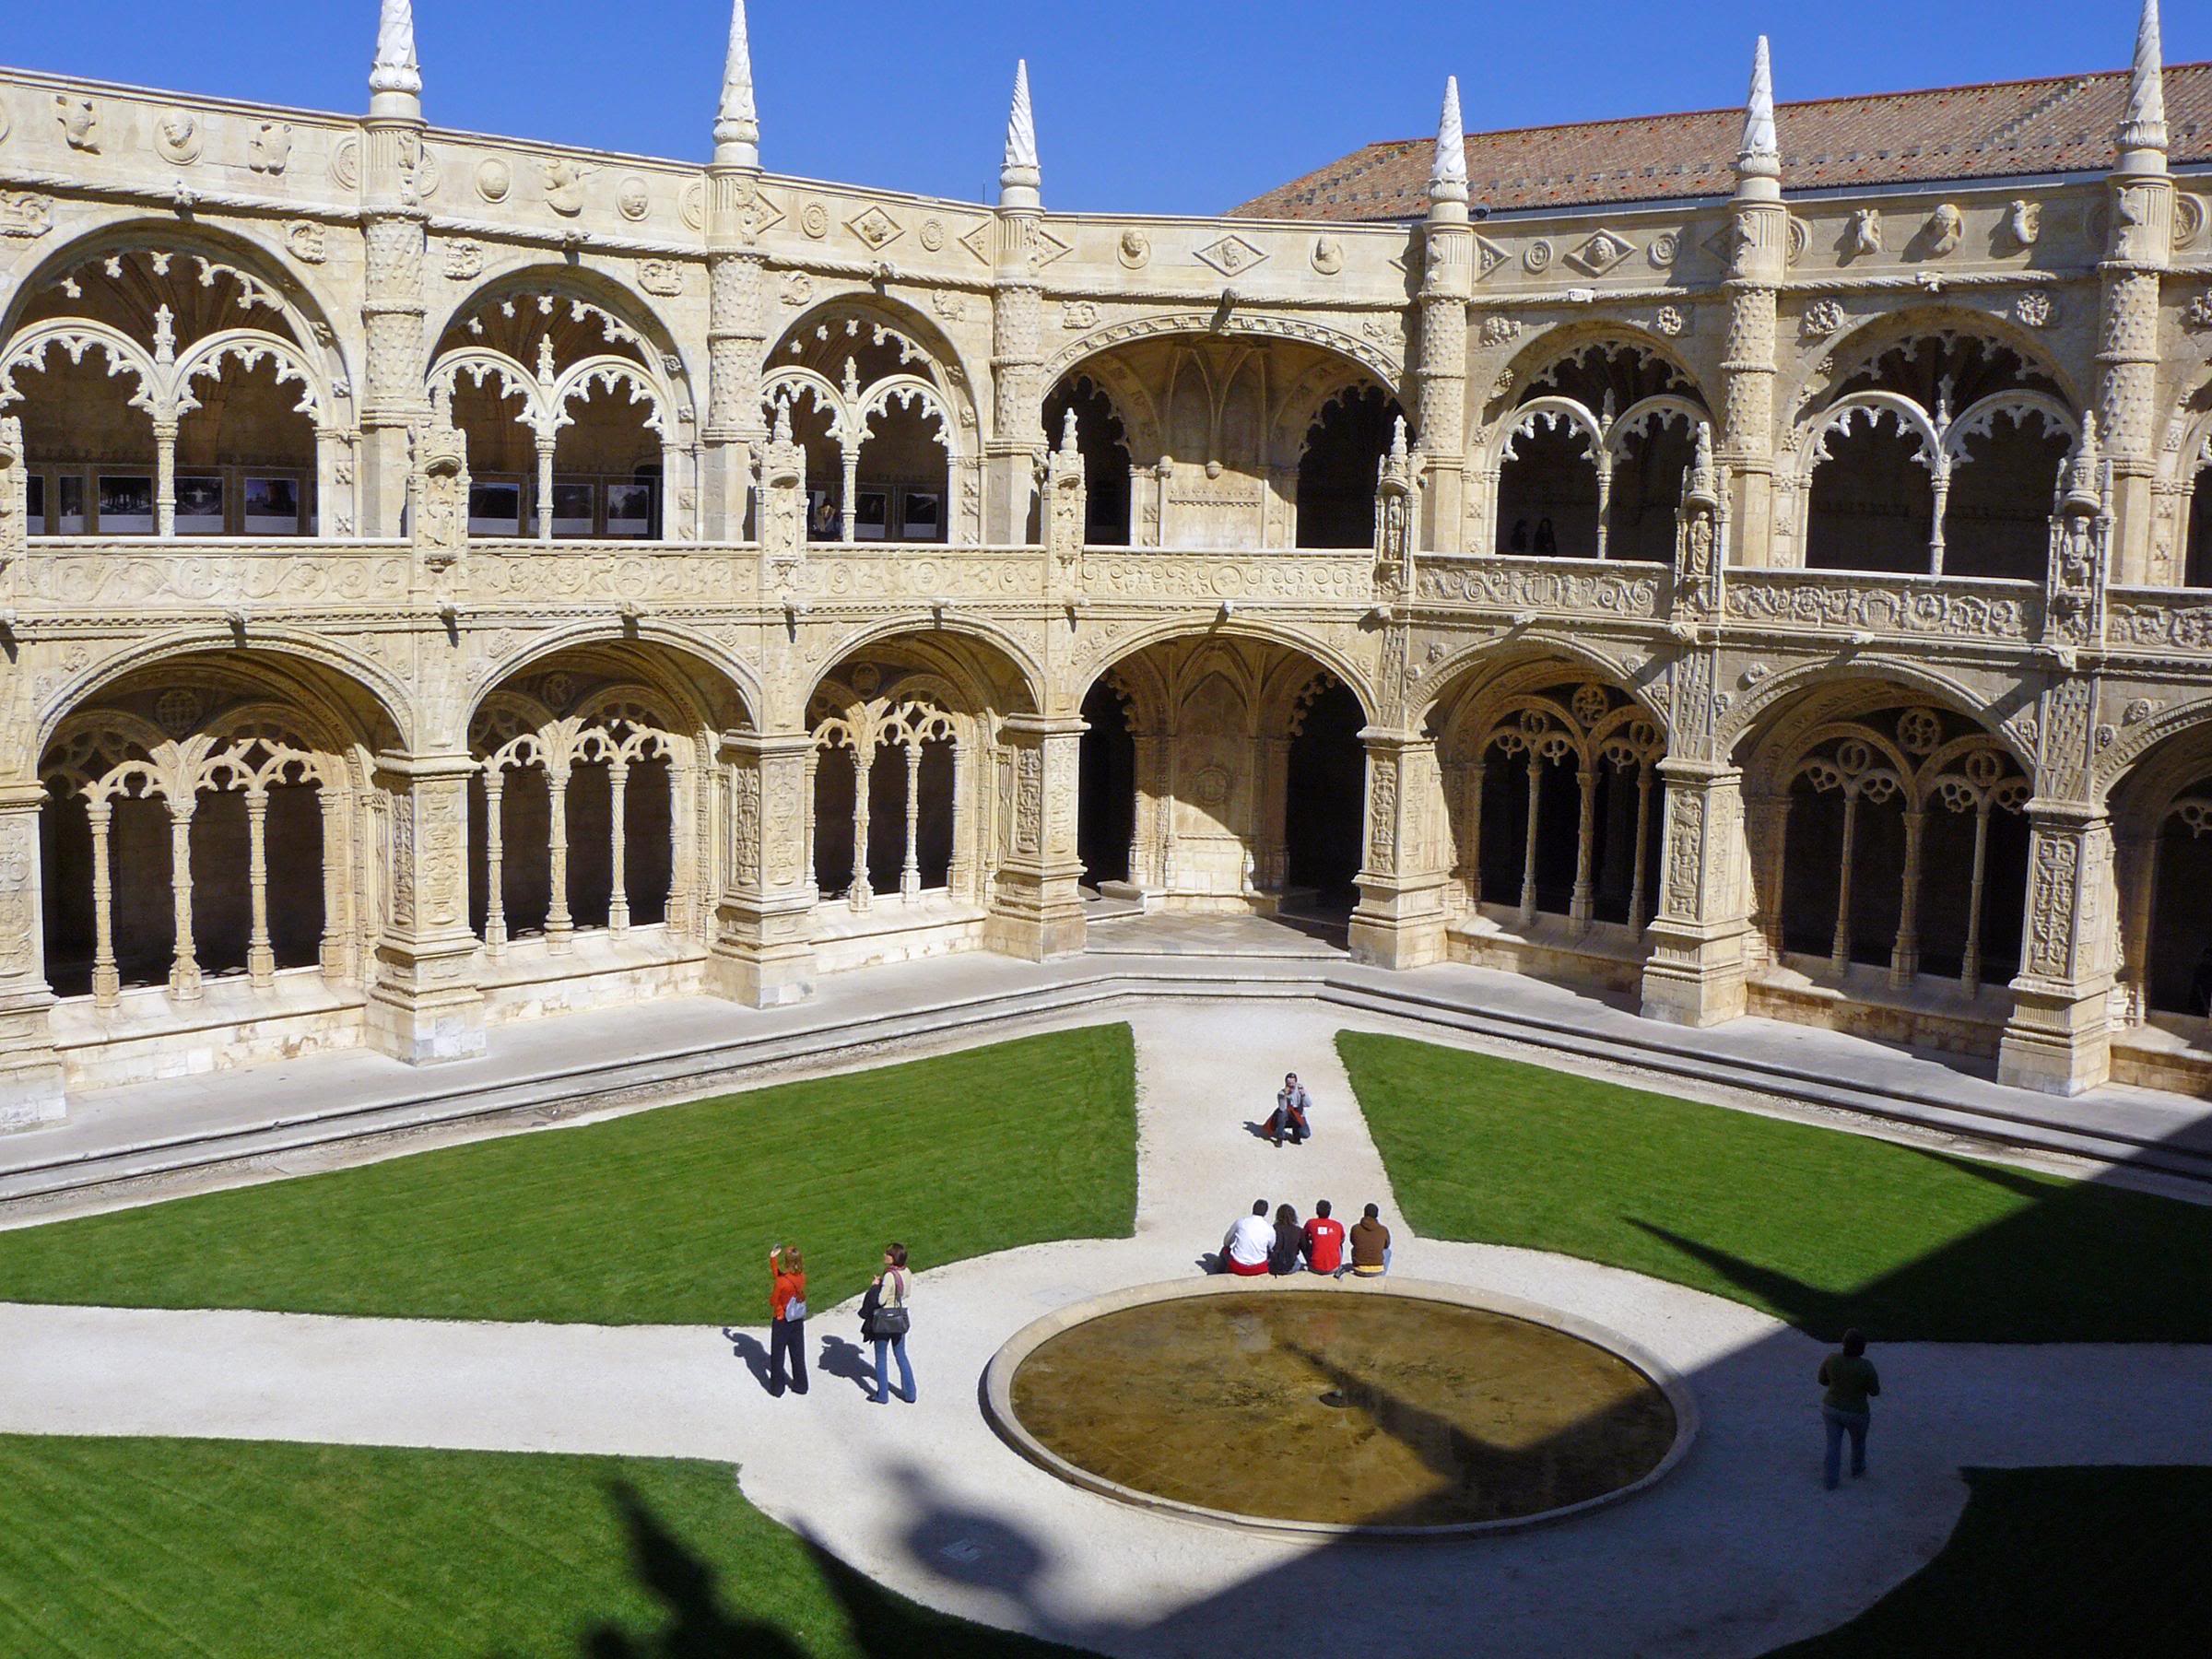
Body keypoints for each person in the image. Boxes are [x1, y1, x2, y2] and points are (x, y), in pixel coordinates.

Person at [1818, 1328, 1880, 1489]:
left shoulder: (1831, 1359)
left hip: (1831, 1408)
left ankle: (1830, 1481)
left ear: (1843, 1344)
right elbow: (1875, 1391)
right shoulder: (1866, 1366)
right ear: (1862, 1347)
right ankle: (1857, 1470)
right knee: (1858, 1443)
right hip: (1856, 1413)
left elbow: (1822, 1380)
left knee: (1833, 1445)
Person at [866, 1243, 916, 1405]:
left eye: (888, 1254)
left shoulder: (889, 1276)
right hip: (898, 1317)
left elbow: (881, 1300)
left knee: (881, 1358)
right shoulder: (907, 1272)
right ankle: (910, 1394)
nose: (885, 1255)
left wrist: (876, 1286)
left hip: (884, 1319)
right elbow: (906, 1293)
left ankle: (882, 1395)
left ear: (893, 1258)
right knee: (901, 1355)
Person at [768, 1243, 808, 1397]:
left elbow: (773, 1300)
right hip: (796, 1319)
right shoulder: (802, 1277)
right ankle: (801, 1385)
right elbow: (780, 1277)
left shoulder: (782, 1282)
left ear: (788, 1262)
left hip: (781, 1320)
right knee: (798, 1354)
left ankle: (777, 1389)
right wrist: (773, 1260)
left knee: (778, 1355)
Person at [1221, 1199, 1273, 1276]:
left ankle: (1220, 1272)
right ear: (1265, 1213)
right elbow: (1271, 1246)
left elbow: (1226, 1242)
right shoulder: (1269, 1229)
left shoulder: (1240, 1222)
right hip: (1259, 1268)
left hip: (1237, 1266)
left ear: (1253, 1209)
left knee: (1224, 1250)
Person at [1266, 1072, 1312, 1148]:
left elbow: (1308, 1104)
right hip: (1286, 1118)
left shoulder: (1301, 1091)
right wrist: (1285, 1096)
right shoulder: (1281, 1093)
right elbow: (1282, 1108)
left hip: (1297, 1116)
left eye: (1292, 1084)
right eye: (1289, 1084)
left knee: (1305, 1134)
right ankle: (1280, 1138)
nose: (1291, 1086)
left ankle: (1296, 1136)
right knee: (1282, 1114)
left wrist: (1303, 1095)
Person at [1347, 1202, 1392, 1277]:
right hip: (1377, 1271)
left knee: (1353, 1248)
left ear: (1364, 1213)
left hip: (1359, 1270)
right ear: (1377, 1215)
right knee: (1388, 1252)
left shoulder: (1355, 1228)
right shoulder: (1383, 1230)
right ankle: (1382, 1275)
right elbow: (1386, 1246)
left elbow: (1353, 1242)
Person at [1302, 1199, 1347, 1276]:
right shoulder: (1337, 1225)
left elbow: (1303, 1236)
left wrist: (1313, 1238)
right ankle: (1337, 1264)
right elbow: (1342, 1240)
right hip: (1333, 1268)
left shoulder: (1311, 1223)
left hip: (1314, 1267)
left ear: (1316, 1211)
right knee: (1339, 1244)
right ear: (1330, 1212)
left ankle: (1312, 1261)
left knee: (1306, 1242)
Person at [1268, 1203, 1304, 1275]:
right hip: (1291, 1265)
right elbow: (1305, 1249)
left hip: (1275, 1265)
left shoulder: (1273, 1228)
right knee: (1298, 1263)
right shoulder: (1298, 1231)